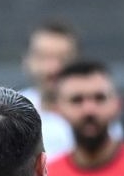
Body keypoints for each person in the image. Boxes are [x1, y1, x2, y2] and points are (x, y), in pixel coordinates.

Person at [19, 19, 82, 159]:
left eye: (63, 59)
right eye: (43, 57)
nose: (53, 68)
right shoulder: (9, 113)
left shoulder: (93, 115)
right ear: (26, 61)